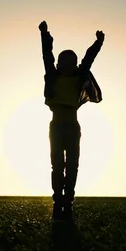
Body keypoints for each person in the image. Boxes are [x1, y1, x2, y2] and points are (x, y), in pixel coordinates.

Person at [39, 20, 105, 221]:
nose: (66, 65)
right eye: (63, 62)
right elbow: (47, 56)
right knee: (57, 165)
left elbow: (88, 59)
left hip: (72, 127)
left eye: (71, 62)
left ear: (74, 65)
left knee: (73, 165)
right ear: (59, 64)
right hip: (56, 126)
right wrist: (44, 34)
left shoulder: (79, 77)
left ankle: (68, 202)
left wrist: (98, 43)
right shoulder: (53, 76)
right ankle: (58, 201)